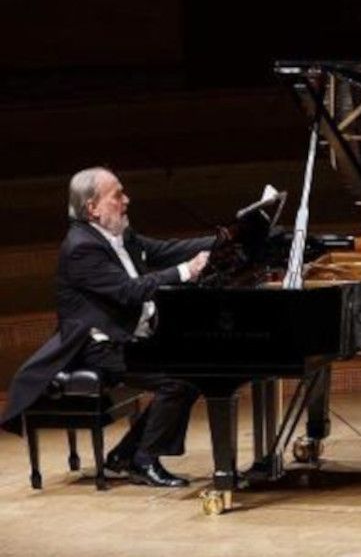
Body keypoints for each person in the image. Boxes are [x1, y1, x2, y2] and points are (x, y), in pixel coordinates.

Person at [1, 167, 215, 487]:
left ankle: (124, 456)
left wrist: (221, 241)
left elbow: (164, 250)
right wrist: (186, 271)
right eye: (117, 195)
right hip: (96, 347)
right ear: (93, 208)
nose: (126, 200)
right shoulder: (81, 248)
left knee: (193, 372)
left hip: (123, 339)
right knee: (177, 380)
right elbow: (129, 292)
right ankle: (143, 461)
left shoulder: (119, 234)